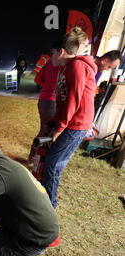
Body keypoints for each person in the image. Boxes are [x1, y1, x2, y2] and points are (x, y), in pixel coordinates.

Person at [41, 27, 97, 208]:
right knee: (51, 161)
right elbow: (63, 100)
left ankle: (49, 206)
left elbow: (73, 98)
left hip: (76, 124)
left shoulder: (76, 66)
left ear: (62, 51)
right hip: (70, 122)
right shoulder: (67, 68)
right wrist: (54, 121)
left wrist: (60, 127)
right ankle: (45, 200)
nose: (51, 58)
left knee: (53, 164)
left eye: (52, 54)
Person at [26, 47, 62, 165]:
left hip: (43, 100)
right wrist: (52, 89)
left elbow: (37, 79)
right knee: (47, 132)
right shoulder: (63, 65)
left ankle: (34, 159)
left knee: (44, 130)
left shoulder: (48, 63)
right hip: (52, 101)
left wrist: (47, 86)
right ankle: (35, 160)